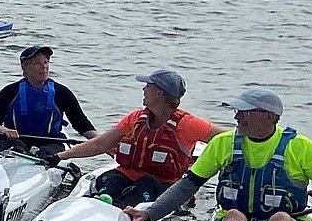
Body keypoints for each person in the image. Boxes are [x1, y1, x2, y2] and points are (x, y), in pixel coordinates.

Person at [126, 87, 312, 221]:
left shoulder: (301, 147)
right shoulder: (223, 144)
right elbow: (187, 185)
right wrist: (149, 214)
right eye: (237, 111)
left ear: (269, 117)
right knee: (233, 216)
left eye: (244, 112)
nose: (237, 118)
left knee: (280, 220)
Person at [53, 69, 217, 206]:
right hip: (125, 177)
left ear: (159, 92)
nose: (143, 89)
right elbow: (100, 144)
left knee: (145, 184)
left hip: (162, 185)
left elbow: (227, 139)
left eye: (147, 86)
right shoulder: (136, 118)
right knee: (112, 179)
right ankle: (98, 205)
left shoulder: (188, 124)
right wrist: (59, 156)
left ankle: (123, 210)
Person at [0, 46, 96, 152]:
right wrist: (4, 130)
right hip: (15, 140)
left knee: (46, 152)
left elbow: (81, 124)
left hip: (51, 142)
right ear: (25, 67)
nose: (44, 67)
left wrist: (104, 144)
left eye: (46, 62)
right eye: (37, 63)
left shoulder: (62, 92)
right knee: (18, 147)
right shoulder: (9, 92)